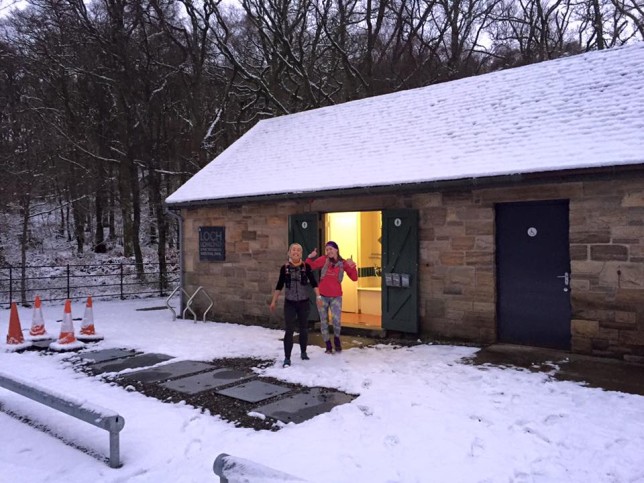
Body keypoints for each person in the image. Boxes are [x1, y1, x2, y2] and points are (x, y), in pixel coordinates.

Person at [270, 243, 320, 367]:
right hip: (290, 303)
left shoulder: (306, 266)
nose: (296, 252)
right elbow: (279, 285)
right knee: (289, 330)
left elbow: (314, 283)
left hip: (303, 302)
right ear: (289, 253)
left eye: (298, 250)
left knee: (303, 328)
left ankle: (303, 352)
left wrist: (318, 297)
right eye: (293, 250)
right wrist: (274, 300)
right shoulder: (285, 268)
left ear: (301, 254)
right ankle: (287, 358)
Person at [306, 241, 358, 354]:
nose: (329, 251)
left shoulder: (343, 263)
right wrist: (310, 258)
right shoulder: (323, 260)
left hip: (336, 297)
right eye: (327, 249)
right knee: (323, 321)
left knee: (336, 320)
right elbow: (309, 266)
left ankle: (337, 339)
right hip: (322, 297)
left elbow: (354, 278)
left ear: (336, 250)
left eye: (331, 249)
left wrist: (353, 266)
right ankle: (328, 345)